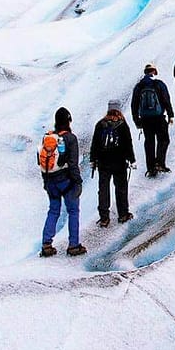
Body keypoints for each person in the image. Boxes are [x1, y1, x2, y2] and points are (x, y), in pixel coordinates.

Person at [39, 107, 86, 257]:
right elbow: (73, 164)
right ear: (68, 121)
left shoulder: (49, 138)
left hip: (50, 181)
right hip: (66, 181)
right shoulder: (70, 138)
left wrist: (46, 182)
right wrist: (78, 182)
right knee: (73, 211)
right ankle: (73, 245)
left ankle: (46, 243)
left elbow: (43, 161)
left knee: (53, 211)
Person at [89, 100, 136, 227]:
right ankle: (123, 214)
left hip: (103, 163)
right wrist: (132, 159)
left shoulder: (100, 124)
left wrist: (93, 159)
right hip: (119, 162)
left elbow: (95, 144)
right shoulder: (122, 124)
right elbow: (128, 143)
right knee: (121, 187)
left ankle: (104, 217)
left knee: (103, 189)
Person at [132, 63, 175, 176]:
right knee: (163, 139)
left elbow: (134, 105)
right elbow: (166, 100)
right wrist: (170, 114)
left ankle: (151, 168)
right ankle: (160, 163)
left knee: (149, 142)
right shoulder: (158, 84)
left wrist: (137, 121)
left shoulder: (139, 86)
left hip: (145, 119)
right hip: (159, 117)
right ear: (154, 71)